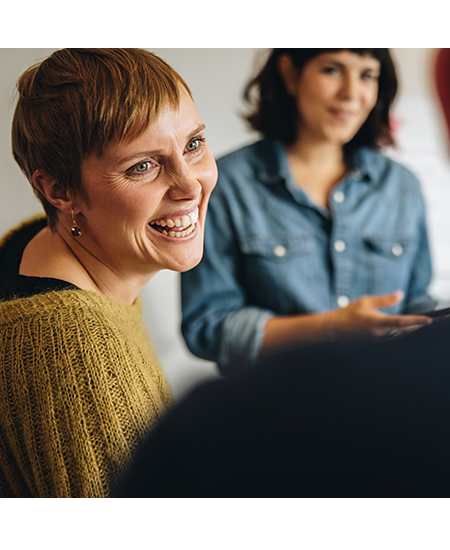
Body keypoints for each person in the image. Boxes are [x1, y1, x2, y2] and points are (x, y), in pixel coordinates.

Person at [0, 48, 217, 497]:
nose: (191, 184)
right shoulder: (68, 346)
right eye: (143, 166)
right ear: (59, 190)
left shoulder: (31, 245)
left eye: (193, 144)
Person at [181, 48, 434, 376]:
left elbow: (417, 303)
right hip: (277, 411)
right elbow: (208, 327)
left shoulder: (402, 186)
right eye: (332, 70)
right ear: (289, 73)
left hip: (385, 405)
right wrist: (329, 327)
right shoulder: (225, 185)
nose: (351, 93)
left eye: (367, 75)